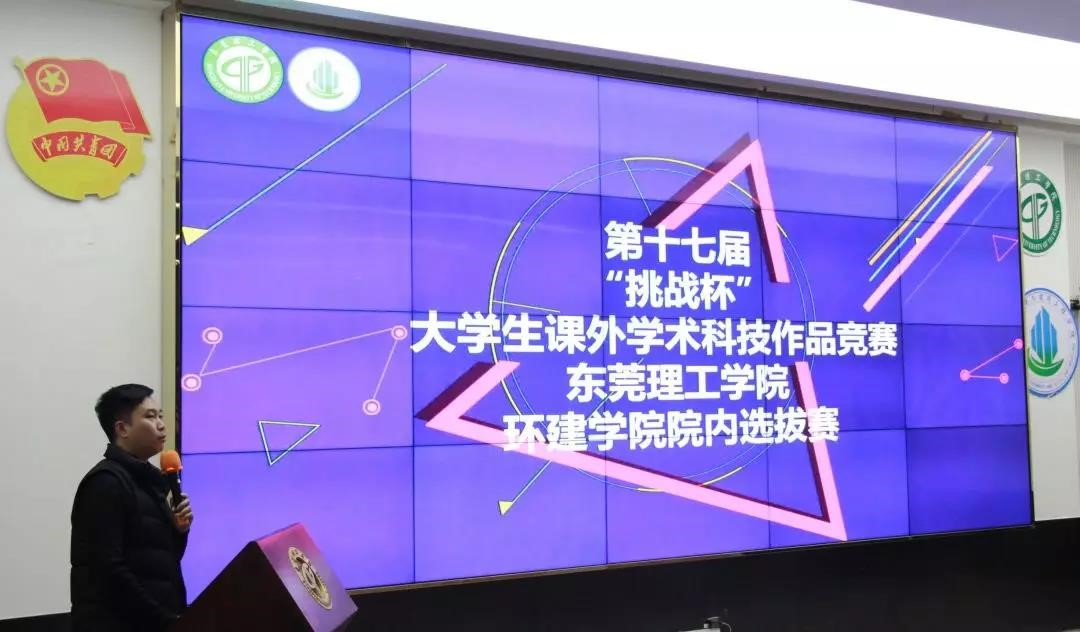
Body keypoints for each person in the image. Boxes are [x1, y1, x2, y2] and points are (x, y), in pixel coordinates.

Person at [70, 384, 194, 632]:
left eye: (160, 416)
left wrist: (178, 531)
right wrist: (164, 620)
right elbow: (109, 572)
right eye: (150, 416)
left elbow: (159, 562)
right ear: (122, 428)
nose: (161, 425)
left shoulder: (149, 483)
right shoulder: (105, 483)